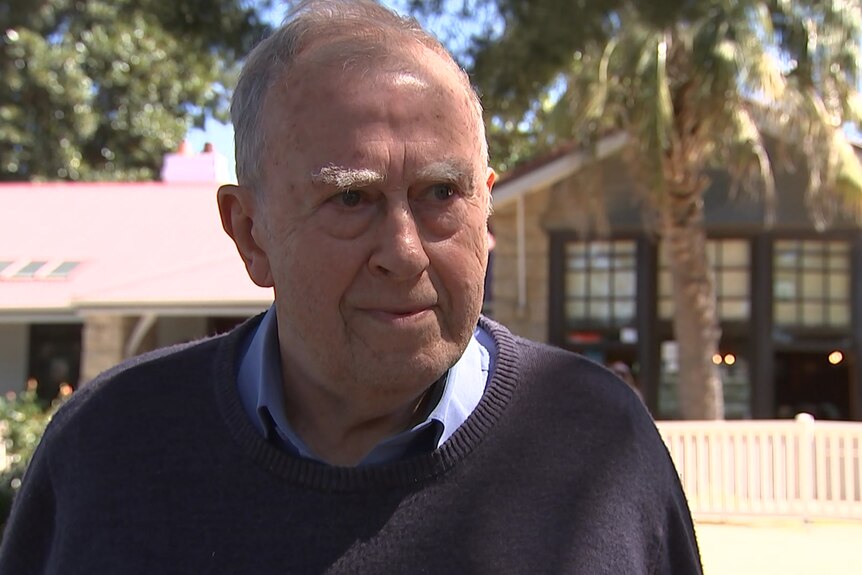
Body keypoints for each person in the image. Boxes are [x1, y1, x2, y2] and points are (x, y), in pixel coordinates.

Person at [0, 1, 702, 572]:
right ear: (250, 232)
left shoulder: (599, 442)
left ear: (486, 207)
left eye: (439, 193)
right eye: (351, 199)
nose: (403, 252)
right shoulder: (110, 450)